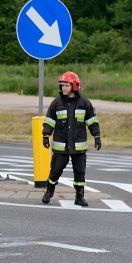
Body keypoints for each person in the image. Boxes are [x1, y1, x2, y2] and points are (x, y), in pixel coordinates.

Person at [41, 71, 101, 206]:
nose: (63, 88)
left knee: (80, 173)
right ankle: (49, 192)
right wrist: (46, 135)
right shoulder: (56, 103)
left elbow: (92, 121)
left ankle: (79, 197)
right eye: (62, 85)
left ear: (74, 86)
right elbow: (49, 121)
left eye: (66, 85)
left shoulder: (84, 103)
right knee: (55, 171)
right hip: (60, 146)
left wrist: (96, 136)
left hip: (79, 147)